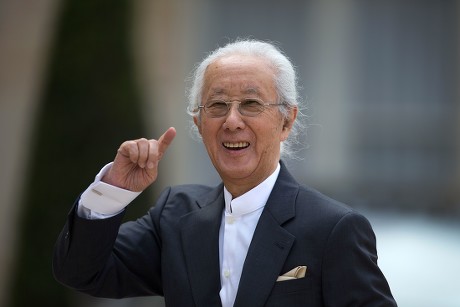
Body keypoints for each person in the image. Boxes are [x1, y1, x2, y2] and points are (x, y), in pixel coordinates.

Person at [53, 39, 397, 307]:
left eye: (250, 104)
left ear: (287, 121)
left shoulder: (333, 229)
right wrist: (113, 190)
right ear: (199, 124)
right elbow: (81, 273)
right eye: (217, 106)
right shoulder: (176, 216)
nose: (232, 121)